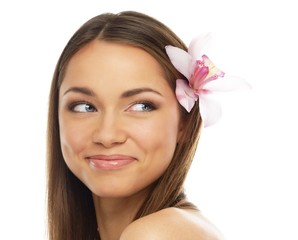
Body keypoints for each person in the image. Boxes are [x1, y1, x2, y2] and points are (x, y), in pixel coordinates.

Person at [47, 10, 234, 240]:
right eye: (85, 107)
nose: (107, 135)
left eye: (141, 106)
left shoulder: (155, 234)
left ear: (184, 123)